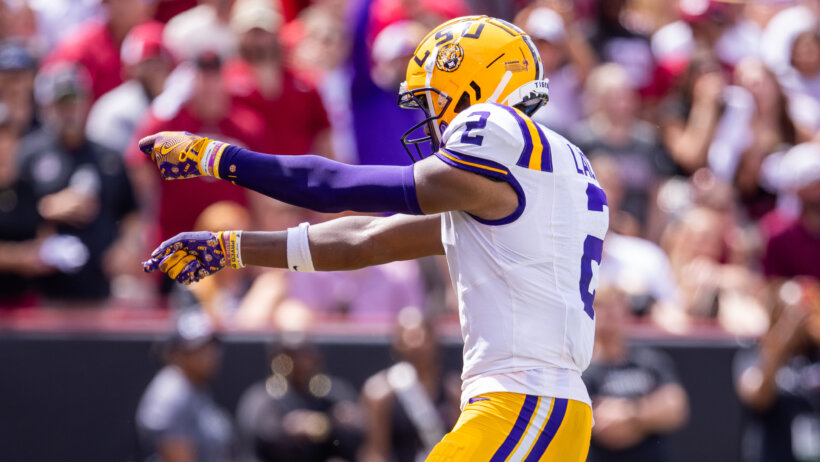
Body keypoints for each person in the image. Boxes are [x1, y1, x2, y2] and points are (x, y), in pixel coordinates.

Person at [140, 15, 609, 461]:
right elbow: (368, 239)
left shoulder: (496, 132)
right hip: (549, 406)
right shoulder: (548, 168)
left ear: (472, 86)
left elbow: (334, 186)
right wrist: (234, 247)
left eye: (434, 102)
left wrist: (218, 158)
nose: (432, 121)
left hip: (521, 405)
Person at [18, 63, 138, 302]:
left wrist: (128, 246)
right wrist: (47, 208)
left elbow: (131, 211)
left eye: (74, 102)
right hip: (43, 293)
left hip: (101, 288)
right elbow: (11, 211)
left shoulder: (107, 157)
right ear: (46, 106)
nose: (69, 111)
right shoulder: (28, 154)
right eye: (61, 104)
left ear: (86, 102)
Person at [583, 286, 689, 462]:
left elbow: (675, 408)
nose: (610, 316)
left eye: (615, 308)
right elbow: (605, 429)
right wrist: (650, 417)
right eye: (603, 308)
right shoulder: (583, 369)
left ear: (626, 312)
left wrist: (629, 412)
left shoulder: (650, 360)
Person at [235, 335, 363, 461]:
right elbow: (262, 436)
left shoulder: (333, 394)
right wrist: (288, 428)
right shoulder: (262, 396)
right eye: (291, 355)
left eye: (306, 354)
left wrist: (341, 422)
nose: (301, 362)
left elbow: (354, 435)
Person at [734, 279, 820, 462]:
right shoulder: (754, 357)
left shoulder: (815, 355)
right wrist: (783, 342)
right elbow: (759, 399)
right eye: (789, 315)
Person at [360, 307, 461, 462]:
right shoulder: (379, 393)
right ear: (398, 343)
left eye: (421, 336)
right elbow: (376, 451)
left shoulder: (453, 391)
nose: (416, 343)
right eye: (409, 337)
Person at [136, 309, 234, 462]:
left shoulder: (195, 386)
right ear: (177, 352)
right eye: (200, 349)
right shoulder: (171, 394)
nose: (210, 355)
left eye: (212, 347)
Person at [86, 21, 175, 155]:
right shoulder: (113, 111)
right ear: (129, 69)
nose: (154, 70)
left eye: (159, 60)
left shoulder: (181, 101)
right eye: (147, 63)